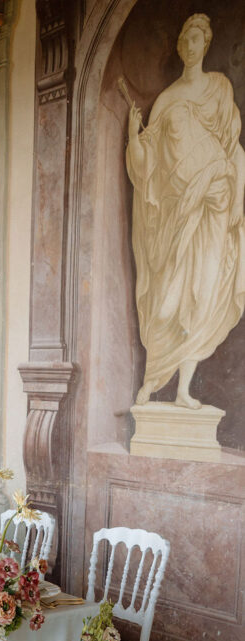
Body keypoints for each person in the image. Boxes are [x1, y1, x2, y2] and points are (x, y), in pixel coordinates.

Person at [126, 13, 245, 409]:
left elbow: (233, 148)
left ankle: (183, 391)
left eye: (197, 39)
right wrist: (132, 138)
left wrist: (234, 195)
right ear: (179, 46)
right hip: (179, 215)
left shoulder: (219, 87)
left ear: (207, 43)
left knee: (205, 293)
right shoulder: (167, 100)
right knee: (170, 299)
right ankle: (153, 378)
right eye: (186, 39)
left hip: (216, 205)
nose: (191, 46)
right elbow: (148, 168)